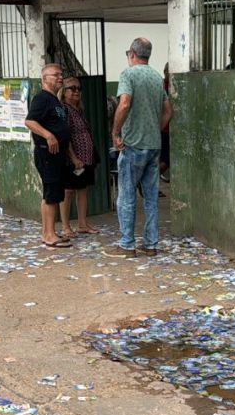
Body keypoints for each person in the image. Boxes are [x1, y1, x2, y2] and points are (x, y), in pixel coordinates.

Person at [105, 38, 171, 258]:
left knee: (126, 196)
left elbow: (124, 103)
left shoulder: (128, 74)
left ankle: (127, 244)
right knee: (151, 197)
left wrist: (115, 133)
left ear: (132, 53)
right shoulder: (156, 78)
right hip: (154, 146)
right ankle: (151, 244)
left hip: (133, 145)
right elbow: (168, 111)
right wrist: (155, 129)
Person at [23, 63, 72, 249]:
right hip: (47, 154)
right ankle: (49, 235)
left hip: (57, 155)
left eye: (61, 74)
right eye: (55, 75)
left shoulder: (54, 100)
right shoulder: (42, 99)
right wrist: (48, 135)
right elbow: (29, 121)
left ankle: (48, 232)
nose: (60, 77)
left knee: (51, 194)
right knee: (51, 195)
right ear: (44, 78)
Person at [56, 76, 99, 237]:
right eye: (72, 88)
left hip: (86, 157)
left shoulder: (78, 110)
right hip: (72, 159)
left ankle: (82, 224)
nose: (76, 91)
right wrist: (73, 158)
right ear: (64, 91)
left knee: (82, 190)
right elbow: (65, 136)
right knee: (67, 191)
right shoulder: (65, 110)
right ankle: (66, 226)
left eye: (78, 88)